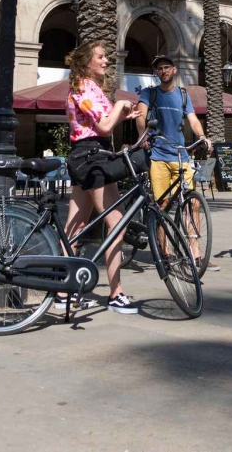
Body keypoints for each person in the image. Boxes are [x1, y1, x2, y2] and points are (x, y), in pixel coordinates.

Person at [62, 41, 142, 314]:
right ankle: (116, 293)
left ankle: (63, 290)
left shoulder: (88, 87)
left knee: (75, 225)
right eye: (101, 56)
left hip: (84, 156)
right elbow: (105, 127)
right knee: (116, 221)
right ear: (87, 61)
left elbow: (101, 123)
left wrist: (123, 114)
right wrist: (120, 104)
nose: (106, 61)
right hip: (92, 159)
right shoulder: (84, 87)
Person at [136, 55, 216, 272]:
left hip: (181, 155)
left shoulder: (182, 95)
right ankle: (165, 252)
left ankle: (195, 252)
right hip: (158, 156)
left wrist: (202, 137)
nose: (163, 71)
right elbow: (140, 115)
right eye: (159, 68)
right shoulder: (149, 93)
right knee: (162, 205)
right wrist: (143, 136)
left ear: (174, 70)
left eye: (166, 67)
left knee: (192, 203)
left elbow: (192, 119)